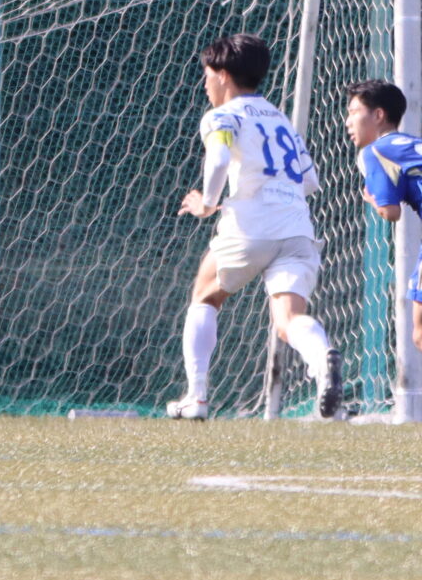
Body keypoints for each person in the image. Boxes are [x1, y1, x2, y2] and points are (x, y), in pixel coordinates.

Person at [168, 34, 336, 419]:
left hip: (250, 227)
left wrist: (207, 204)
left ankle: (196, 398)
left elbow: (218, 158)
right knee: (288, 321)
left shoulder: (222, 116)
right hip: (297, 228)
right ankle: (322, 360)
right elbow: (310, 179)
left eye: (207, 74)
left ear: (223, 75)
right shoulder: (280, 119)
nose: (205, 84)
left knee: (205, 296)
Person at [350, 79, 422, 373]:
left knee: (420, 332)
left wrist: (374, 200)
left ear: (378, 115)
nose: (348, 122)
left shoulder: (375, 152)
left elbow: (391, 212)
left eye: (354, 112)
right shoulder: (414, 144)